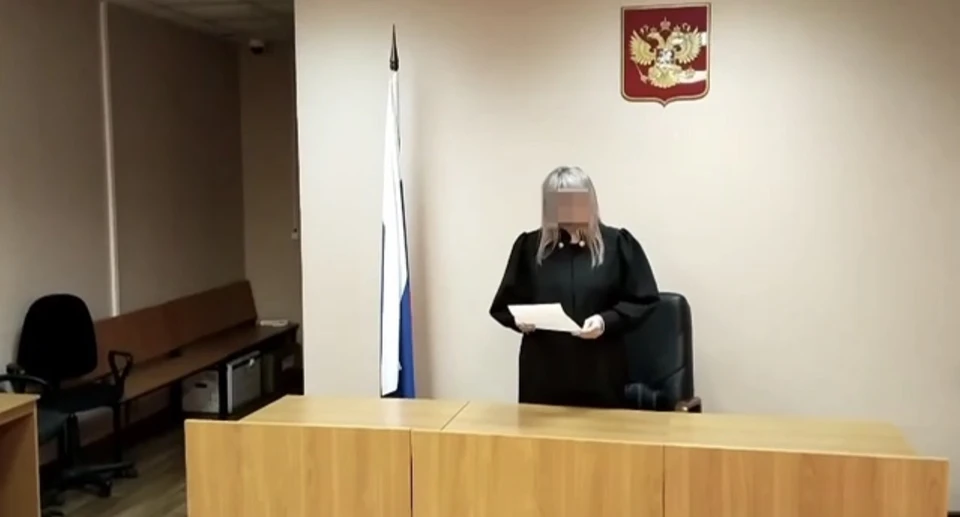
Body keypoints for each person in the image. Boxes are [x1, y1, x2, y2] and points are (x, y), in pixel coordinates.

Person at [489, 166, 660, 409]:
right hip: (543, 374)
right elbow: (505, 305)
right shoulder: (529, 247)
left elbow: (643, 299)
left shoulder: (618, 245)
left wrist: (604, 321)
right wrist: (519, 320)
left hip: (601, 372)